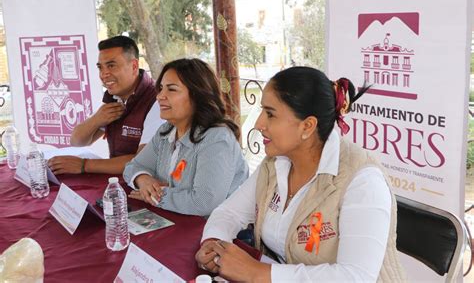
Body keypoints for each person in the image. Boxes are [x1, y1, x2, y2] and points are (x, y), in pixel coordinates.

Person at [195, 67, 407, 282]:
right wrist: (214, 242)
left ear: (307, 126)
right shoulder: (274, 164)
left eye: (270, 114)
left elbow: (355, 276)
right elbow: (230, 213)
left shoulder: (362, 180)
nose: (258, 124)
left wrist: (257, 272)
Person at [123, 58, 249, 217]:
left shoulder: (217, 139)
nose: (160, 96)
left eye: (171, 89)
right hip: (178, 220)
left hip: (218, 232)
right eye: (161, 88)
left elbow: (204, 203)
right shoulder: (167, 131)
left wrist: (156, 195)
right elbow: (132, 167)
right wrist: (144, 180)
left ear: (197, 95)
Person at [48, 36, 164, 175]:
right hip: (119, 183)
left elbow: (143, 161)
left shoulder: (158, 99)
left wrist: (84, 165)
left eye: (111, 66)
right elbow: (76, 141)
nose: (104, 74)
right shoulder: (116, 97)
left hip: (148, 189)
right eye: (100, 67)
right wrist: (97, 119)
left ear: (134, 66)